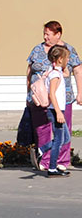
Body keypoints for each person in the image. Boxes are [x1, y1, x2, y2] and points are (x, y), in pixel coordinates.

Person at [25, 20, 82, 169]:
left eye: (48, 34)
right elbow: (29, 72)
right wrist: (28, 93)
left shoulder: (68, 50)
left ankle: (62, 162)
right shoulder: (37, 50)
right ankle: (45, 160)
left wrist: (80, 92)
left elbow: (78, 71)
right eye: (44, 34)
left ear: (58, 34)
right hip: (41, 97)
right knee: (42, 128)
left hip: (63, 98)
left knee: (63, 128)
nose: (45, 37)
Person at [40, 44, 72, 176]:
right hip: (55, 110)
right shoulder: (54, 75)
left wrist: (64, 69)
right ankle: (52, 168)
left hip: (57, 110)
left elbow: (66, 73)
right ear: (59, 59)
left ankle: (42, 149)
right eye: (67, 58)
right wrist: (59, 112)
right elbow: (51, 94)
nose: (68, 60)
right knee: (59, 139)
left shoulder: (57, 72)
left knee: (65, 138)